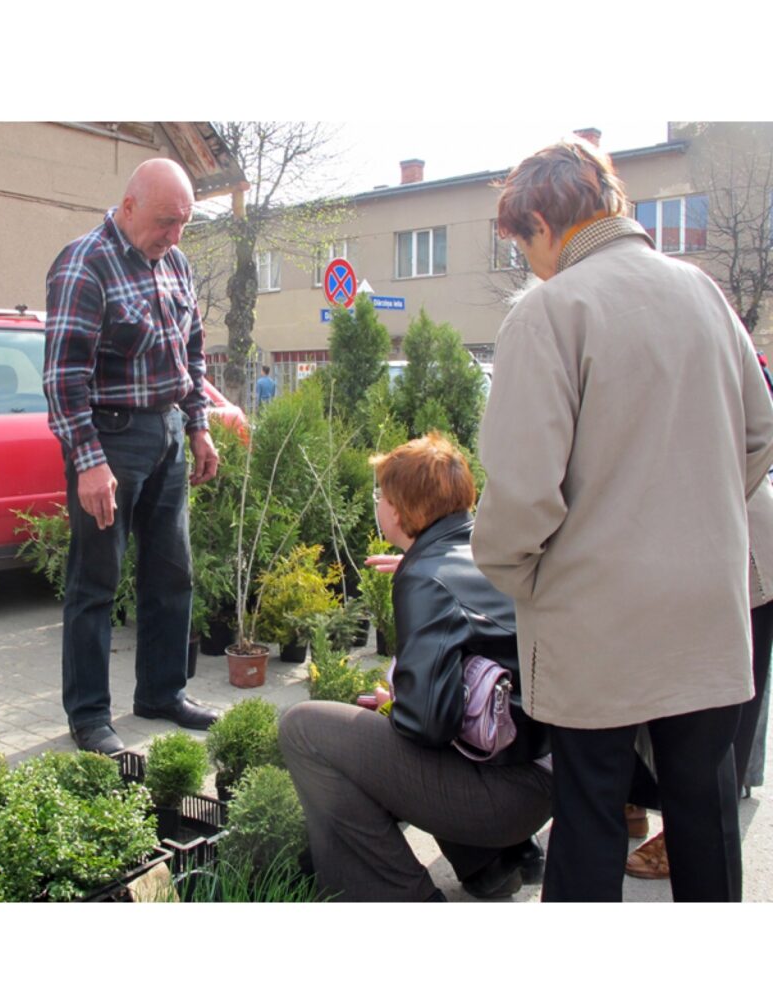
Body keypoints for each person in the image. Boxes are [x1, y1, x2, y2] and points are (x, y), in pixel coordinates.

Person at [471, 138, 773, 901]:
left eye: (521, 240)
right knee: (706, 808)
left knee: (592, 813)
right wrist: (699, 514)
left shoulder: (551, 311)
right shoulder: (701, 291)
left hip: (595, 620)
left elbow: (521, 492)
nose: (526, 260)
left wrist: (514, 572)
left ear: (544, 221)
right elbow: (760, 429)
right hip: (709, 605)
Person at [279, 434, 552, 901]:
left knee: (305, 729)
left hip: (504, 795)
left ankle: (401, 899)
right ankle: (489, 865)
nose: (378, 505)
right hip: (545, 773)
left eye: (380, 497)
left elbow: (427, 723)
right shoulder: (486, 550)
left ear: (400, 513)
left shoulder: (426, 580)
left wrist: (396, 702)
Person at [43, 158, 221, 756]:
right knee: (95, 582)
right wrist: (89, 461)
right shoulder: (84, 263)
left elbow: (191, 352)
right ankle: (90, 717)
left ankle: (162, 694)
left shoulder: (176, 263)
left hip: (168, 434)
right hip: (109, 440)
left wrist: (198, 427)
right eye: (166, 221)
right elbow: (64, 377)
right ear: (128, 206)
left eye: (183, 224)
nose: (174, 236)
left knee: (173, 575)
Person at [625, 477, 773, 879]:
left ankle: (685, 836)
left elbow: (760, 436)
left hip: (739, 546)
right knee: (638, 681)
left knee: (722, 722)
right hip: (681, 540)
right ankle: (633, 803)